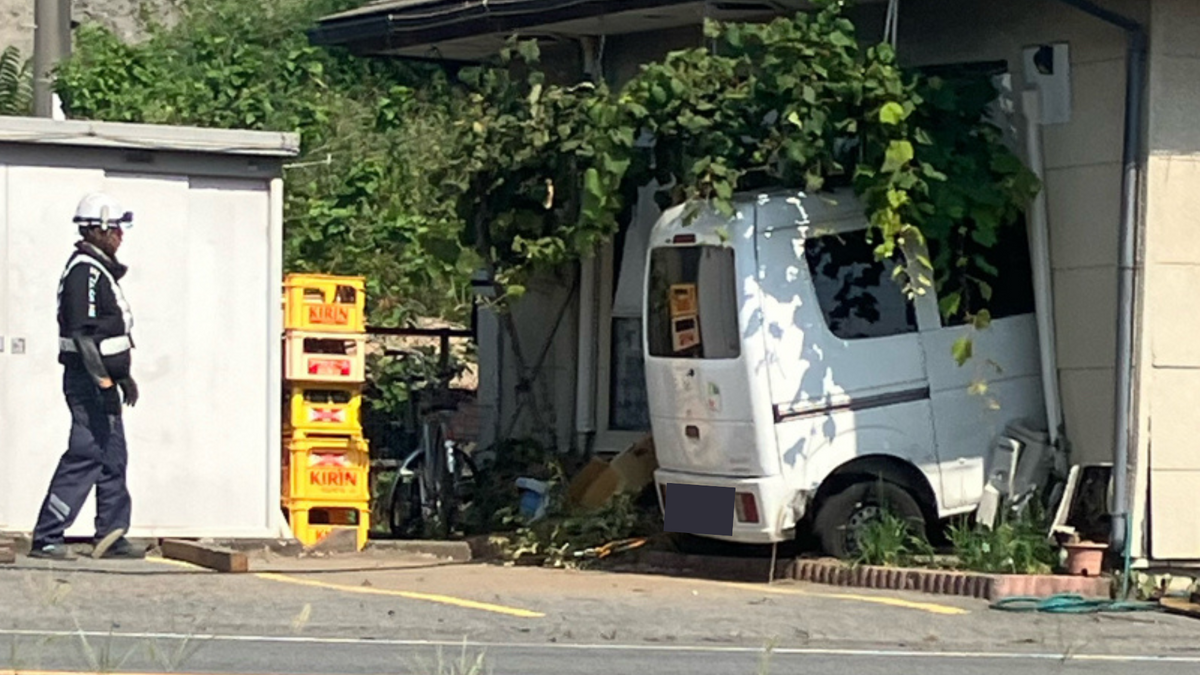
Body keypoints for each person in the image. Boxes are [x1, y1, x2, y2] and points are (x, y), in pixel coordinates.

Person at [29, 193, 144, 561]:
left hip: (105, 382)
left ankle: (111, 533)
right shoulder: (85, 272)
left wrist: (122, 376)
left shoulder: (101, 270)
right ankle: (48, 535)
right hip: (88, 382)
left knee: (113, 456)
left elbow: (109, 333)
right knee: (86, 453)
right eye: (117, 229)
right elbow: (83, 333)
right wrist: (102, 379)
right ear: (99, 229)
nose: (121, 236)